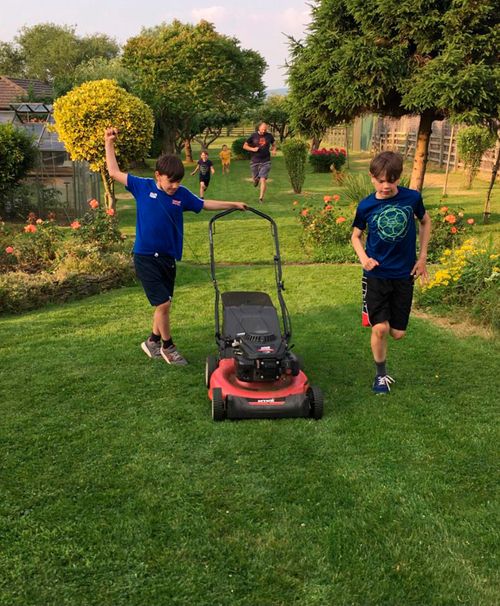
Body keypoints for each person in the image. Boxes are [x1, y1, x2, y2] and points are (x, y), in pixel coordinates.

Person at [104, 127, 246, 366]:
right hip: (145, 256)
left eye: (178, 182)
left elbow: (204, 203)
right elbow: (113, 171)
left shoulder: (182, 194)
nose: (174, 186)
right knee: (164, 303)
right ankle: (168, 347)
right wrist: (109, 142)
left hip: (168, 257)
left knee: (164, 303)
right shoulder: (142, 186)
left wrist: (233, 203)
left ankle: (151, 341)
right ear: (158, 175)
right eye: (171, 182)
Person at [351, 151, 431, 394]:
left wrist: (423, 257)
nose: (386, 186)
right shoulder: (366, 205)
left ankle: (386, 331)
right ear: (372, 177)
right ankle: (380, 376)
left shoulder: (412, 198)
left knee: (397, 333)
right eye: (381, 180)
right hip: (376, 275)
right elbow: (355, 236)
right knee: (380, 328)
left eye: (392, 180)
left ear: (399, 177)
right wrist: (364, 258)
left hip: (404, 275)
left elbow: (425, 221)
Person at [243, 122, 276, 203]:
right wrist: (252, 149)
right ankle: (255, 180)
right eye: (263, 129)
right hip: (255, 161)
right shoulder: (253, 135)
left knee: (263, 179)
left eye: (265, 129)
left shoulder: (269, 136)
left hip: (266, 160)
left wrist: (274, 150)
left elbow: (274, 144)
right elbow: (244, 146)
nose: (264, 131)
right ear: (259, 128)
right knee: (255, 178)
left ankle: (261, 198)